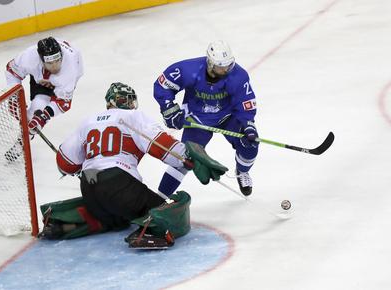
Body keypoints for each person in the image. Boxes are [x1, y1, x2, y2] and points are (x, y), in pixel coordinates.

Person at [41, 82, 227, 248]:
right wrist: (188, 157)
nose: (130, 104)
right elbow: (161, 146)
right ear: (117, 101)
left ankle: (62, 225)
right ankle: (147, 232)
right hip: (118, 182)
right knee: (164, 211)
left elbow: (65, 164)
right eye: (126, 100)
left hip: (89, 188)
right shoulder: (132, 116)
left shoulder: (87, 122)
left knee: (116, 219)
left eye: (131, 101)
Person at [154, 40, 258, 196]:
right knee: (184, 159)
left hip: (228, 117)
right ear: (210, 63)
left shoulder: (238, 76)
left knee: (250, 145)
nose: (225, 69)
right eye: (220, 66)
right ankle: (159, 198)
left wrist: (248, 124)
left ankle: (242, 172)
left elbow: (245, 102)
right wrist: (169, 108)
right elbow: (163, 85)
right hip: (197, 120)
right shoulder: (189, 69)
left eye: (228, 65)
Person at [4, 36, 83, 160]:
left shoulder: (70, 69)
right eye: (50, 63)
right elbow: (11, 72)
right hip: (40, 76)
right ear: (41, 59)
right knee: (32, 114)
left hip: (63, 81)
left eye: (58, 60)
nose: (55, 66)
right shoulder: (29, 57)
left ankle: (22, 142)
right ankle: (24, 138)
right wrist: (14, 96)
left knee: (38, 114)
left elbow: (63, 103)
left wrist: (43, 117)